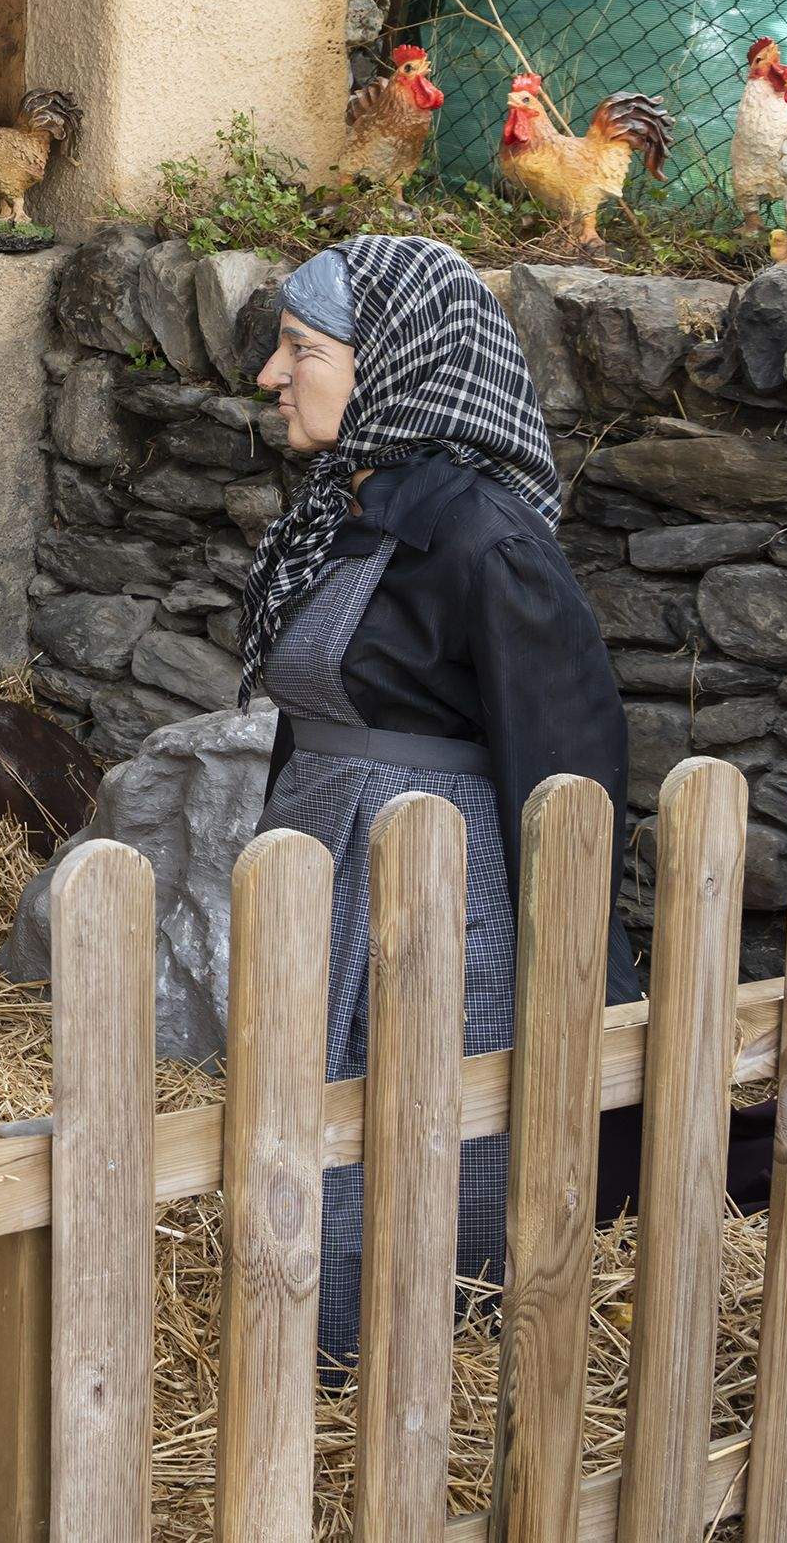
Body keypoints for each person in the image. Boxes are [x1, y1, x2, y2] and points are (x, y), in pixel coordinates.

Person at [242, 233, 637, 1366]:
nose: (272, 376)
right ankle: (298, 1350)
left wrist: (583, 968)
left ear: (395, 363)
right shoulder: (341, 512)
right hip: (327, 874)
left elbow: (567, 763)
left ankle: (394, 1370)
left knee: (413, 1144)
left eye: (303, 350)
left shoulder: (484, 540)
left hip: (434, 911)